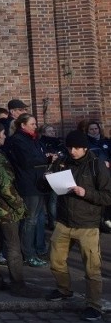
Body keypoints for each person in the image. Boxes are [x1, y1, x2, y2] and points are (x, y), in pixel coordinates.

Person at [45, 130, 111, 321]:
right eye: (69, 147)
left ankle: (94, 305)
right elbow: (46, 187)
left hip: (87, 224)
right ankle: (63, 289)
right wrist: (45, 179)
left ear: (85, 148)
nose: (72, 151)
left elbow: (107, 196)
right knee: (56, 260)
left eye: (76, 148)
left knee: (92, 268)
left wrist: (85, 192)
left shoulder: (96, 165)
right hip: (64, 221)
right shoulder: (62, 162)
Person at [0, 121, 39, 297]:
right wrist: (19, 205)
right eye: (3, 134)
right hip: (4, 208)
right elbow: (5, 187)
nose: (5, 137)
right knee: (13, 246)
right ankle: (18, 284)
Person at [3, 112, 50, 267]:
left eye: (35, 124)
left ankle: (32, 251)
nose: (35, 127)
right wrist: (45, 159)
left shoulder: (33, 139)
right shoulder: (18, 140)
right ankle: (27, 254)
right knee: (29, 221)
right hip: (28, 184)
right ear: (23, 125)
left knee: (34, 219)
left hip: (38, 182)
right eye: (32, 124)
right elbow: (26, 160)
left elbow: (38, 156)